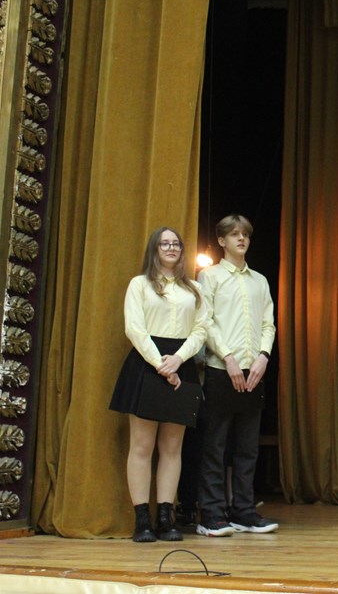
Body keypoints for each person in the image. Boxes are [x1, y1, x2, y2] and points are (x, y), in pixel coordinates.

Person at [110, 227, 209, 543]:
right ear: (154, 249)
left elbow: (201, 330)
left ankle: (166, 518)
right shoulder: (139, 285)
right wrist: (161, 364)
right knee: (141, 445)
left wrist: (177, 360)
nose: (171, 248)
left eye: (176, 243)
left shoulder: (194, 289)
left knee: (172, 447)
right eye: (164, 243)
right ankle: (142, 520)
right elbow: (134, 328)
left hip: (182, 364)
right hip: (146, 364)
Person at [196, 214, 278, 537]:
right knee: (215, 445)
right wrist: (228, 357)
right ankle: (211, 514)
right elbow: (206, 321)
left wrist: (263, 356)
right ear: (221, 240)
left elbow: (268, 323)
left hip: (254, 370)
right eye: (234, 234)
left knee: (247, 447)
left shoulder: (260, 281)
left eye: (245, 234)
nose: (241, 239)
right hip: (221, 370)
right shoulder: (209, 277)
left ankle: (243, 511)